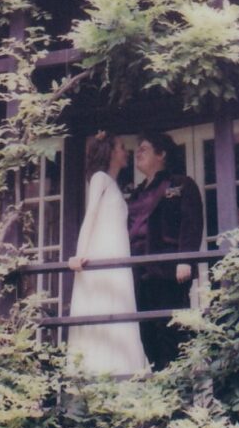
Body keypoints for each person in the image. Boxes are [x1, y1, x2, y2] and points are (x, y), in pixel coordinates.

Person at [67, 132, 148, 375]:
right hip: (103, 253)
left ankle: (123, 370)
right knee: (104, 307)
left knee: (119, 308)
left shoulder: (113, 184)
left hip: (117, 255)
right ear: (111, 152)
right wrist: (79, 254)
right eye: (122, 147)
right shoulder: (100, 178)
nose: (126, 152)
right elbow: (90, 214)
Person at [127, 131, 204, 370]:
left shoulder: (180, 184)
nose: (138, 152)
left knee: (170, 333)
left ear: (161, 155)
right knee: (145, 334)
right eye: (137, 148)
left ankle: (177, 398)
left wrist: (185, 260)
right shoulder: (136, 193)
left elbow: (191, 223)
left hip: (167, 271)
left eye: (145, 148)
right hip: (137, 275)